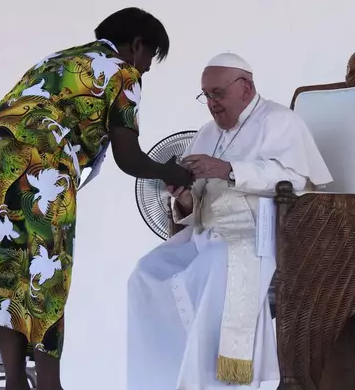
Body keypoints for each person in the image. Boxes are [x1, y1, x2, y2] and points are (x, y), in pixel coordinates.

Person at [0, 7, 193, 390]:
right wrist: (170, 172)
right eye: (151, 57)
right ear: (137, 45)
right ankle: (50, 385)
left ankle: (16, 381)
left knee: (3, 265)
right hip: (39, 159)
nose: (148, 69)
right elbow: (128, 158)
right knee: (44, 269)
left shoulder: (58, 59)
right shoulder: (122, 71)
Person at [127, 52, 333, 390]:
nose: (211, 103)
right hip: (207, 233)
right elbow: (199, 201)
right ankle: (162, 378)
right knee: (147, 271)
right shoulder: (207, 132)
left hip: (259, 236)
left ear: (246, 88)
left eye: (217, 94)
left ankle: (209, 383)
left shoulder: (279, 121)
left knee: (213, 266)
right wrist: (182, 195)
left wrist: (230, 169)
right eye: (205, 95)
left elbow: (297, 180)